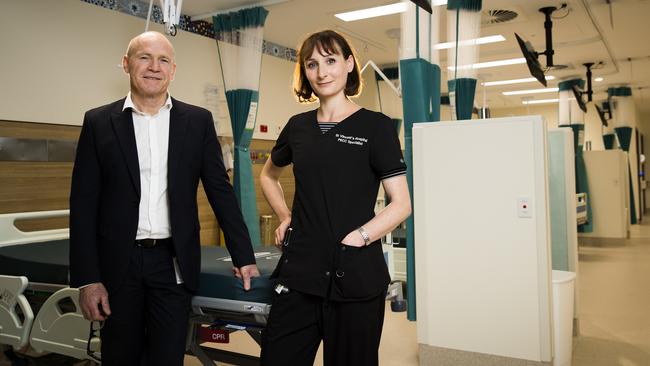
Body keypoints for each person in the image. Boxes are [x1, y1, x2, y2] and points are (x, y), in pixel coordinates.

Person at [69, 31, 259, 366]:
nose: (154, 67)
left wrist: (243, 255)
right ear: (127, 64)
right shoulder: (99, 122)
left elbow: (220, 192)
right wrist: (87, 279)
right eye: (144, 57)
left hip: (173, 263)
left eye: (163, 60)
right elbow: (83, 205)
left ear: (173, 70)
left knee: (168, 357)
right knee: (120, 357)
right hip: (118, 264)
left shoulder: (197, 122)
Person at [259, 30, 412, 366]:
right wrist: (285, 216)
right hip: (300, 274)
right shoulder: (297, 127)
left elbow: (402, 204)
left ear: (348, 64)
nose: (322, 72)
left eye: (330, 61)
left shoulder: (376, 127)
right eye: (312, 64)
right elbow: (268, 174)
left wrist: (361, 237)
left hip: (355, 276)